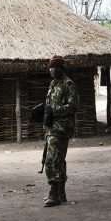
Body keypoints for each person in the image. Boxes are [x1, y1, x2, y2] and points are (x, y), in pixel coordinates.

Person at [41, 56, 78, 207]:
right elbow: (49, 104)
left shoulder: (68, 84)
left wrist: (54, 110)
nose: (50, 70)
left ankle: (53, 193)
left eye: (53, 68)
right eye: (50, 67)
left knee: (52, 161)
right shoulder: (53, 84)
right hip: (52, 128)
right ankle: (60, 193)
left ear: (60, 69)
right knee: (59, 161)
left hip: (62, 129)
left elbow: (73, 106)